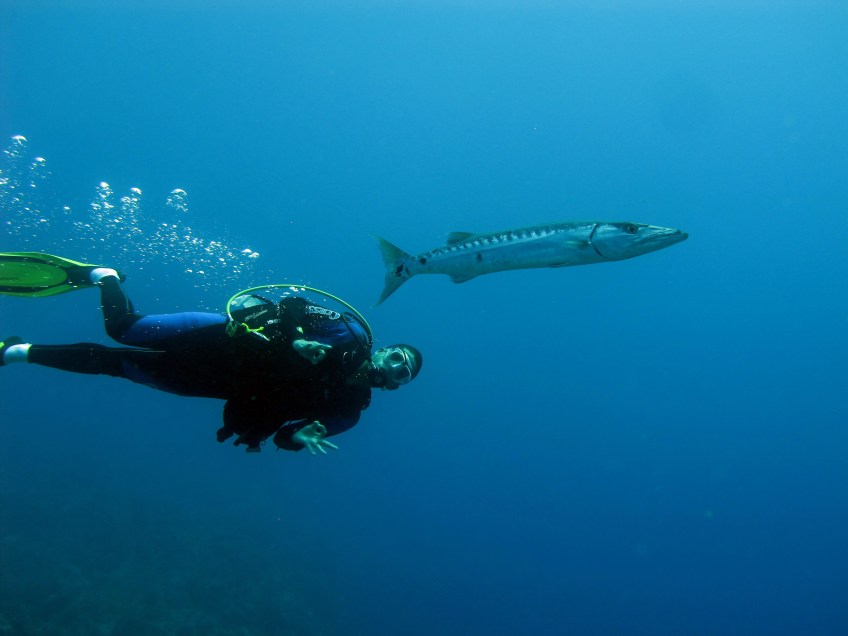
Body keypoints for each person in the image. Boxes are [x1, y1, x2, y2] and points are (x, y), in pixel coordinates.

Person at [0, 260, 422, 455]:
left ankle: (15, 352)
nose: (395, 367)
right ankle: (105, 276)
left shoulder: (348, 411)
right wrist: (295, 340)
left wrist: (298, 438)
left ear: (397, 385)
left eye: (403, 373)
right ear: (385, 350)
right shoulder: (349, 333)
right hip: (221, 338)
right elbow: (293, 304)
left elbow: (284, 437)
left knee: (114, 365)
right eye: (397, 357)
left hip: (211, 382)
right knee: (123, 328)